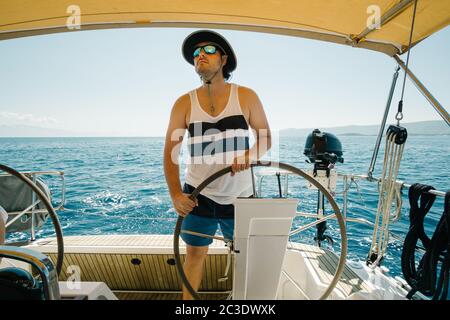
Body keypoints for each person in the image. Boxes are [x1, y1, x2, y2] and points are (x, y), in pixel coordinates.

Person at [163, 30, 271, 300]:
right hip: (199, 197)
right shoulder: (183, 103)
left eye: (208, 50)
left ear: (224, 59)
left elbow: (265, 136)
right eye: (196, 53)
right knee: (195, 255)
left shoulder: (246, 97)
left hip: (241, 198)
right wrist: (176, 194)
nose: (200, 55)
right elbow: (170, 153)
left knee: (244, 255)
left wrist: (250, 154)